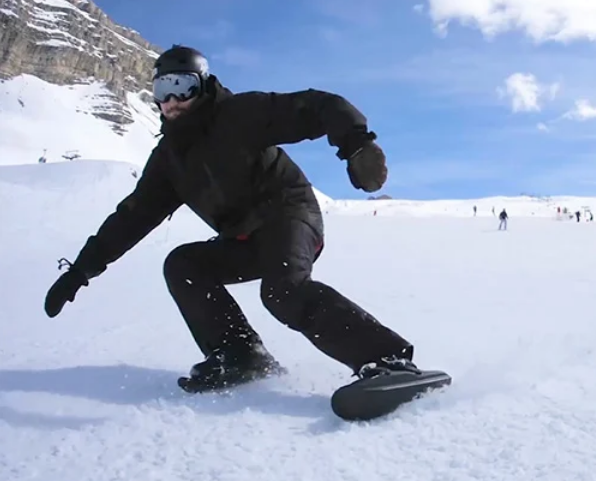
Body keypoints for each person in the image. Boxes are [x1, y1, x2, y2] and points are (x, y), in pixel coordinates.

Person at [42, 45, 419, 391]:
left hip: (289, 214)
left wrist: (356, 143)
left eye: (181, 86)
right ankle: (240, 356)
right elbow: (131, 218)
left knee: (282, 290)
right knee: (183, 264)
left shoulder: (239, 115)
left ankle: (387, 360)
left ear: (202, 86)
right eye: (161, 90)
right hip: (243, 239)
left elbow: (317, 106)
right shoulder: (170, 160)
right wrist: (81, 270)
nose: (171, 100)